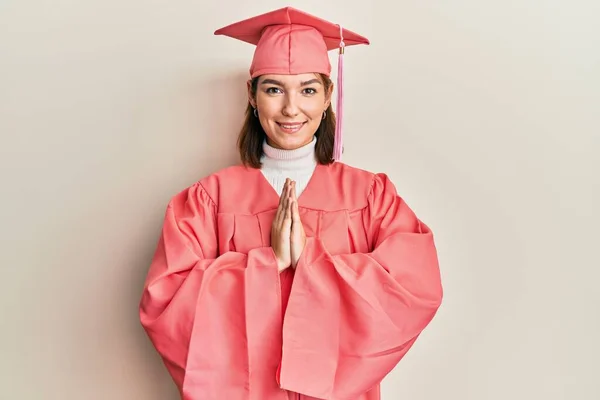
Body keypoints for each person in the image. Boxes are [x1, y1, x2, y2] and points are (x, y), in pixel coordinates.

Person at [139, 6, 443, 400]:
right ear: (251, 94)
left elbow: (414, 288)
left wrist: (311, 262)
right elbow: (165, 304)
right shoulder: (207, 200)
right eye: (273, 89)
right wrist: (268, 264)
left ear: (328, 95)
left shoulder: (370, 195)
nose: (290, 108)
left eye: (308, 89)